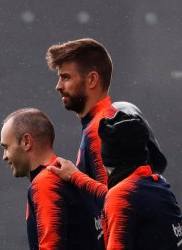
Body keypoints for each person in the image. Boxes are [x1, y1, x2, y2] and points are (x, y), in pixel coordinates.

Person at [48, 111, 182, 250]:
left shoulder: (122, 197)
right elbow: (117, 198)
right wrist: (75, 176)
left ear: (109, 159)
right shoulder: (159, 185)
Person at [45, 38, 167, 189]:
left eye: (66, 77)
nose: (58, 86)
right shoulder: (101, 122)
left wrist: (75, 177)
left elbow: (113, 202)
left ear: (92, 80)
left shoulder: (100, 129)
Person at [0, 108, 105, 250]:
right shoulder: (71, 178)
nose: (4, 156)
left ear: (27, 142)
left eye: (6, 147)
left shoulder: (46, 183)